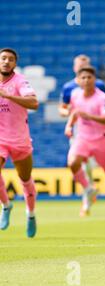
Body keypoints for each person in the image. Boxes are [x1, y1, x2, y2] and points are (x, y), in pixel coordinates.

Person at [65, 66, 105, 222]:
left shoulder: (102, 98)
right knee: (73, 162)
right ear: (78, 81)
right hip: (83, 138)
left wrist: (90, 116)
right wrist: (69, 125)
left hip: (100, 139)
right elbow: (75, 112)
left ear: (95, 80)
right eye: (83, 78)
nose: (86, 80)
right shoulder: (75, 95)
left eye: (89, 77)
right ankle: (88, 189)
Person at [59, 54, 105, 193]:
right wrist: (72, 114)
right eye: (80, 66)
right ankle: (88, 191)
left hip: (95, 128)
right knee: (77, 163)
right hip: (78, 127)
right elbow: (62, 108)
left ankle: (89, 190)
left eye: (85, 66)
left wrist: (102, 115)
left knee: (90, 164)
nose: (83, 70)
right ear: (75, 68)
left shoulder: (99, 84)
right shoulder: (69, 87)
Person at [0, 48, 39, 238]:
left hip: (20, 140)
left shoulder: (20, 81)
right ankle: (6, 205)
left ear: (15, 64)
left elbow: (34, 103)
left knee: (25, 179)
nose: (6, 62)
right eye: (3, 58)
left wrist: (7, 95)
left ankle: (30, 215)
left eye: (10, 59)